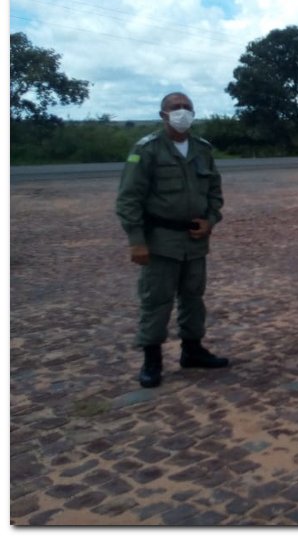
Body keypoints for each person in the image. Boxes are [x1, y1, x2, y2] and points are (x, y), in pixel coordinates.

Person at [115, 92, 228, 389]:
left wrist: (211, 220)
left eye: (187, 107)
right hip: (160, 240)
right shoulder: (148, 149)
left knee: (193, 298)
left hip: (194, 240)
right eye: (175, 107)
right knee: (156, 301)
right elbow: (129, 199)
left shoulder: (202, 150)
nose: (182, 112)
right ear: (163, 114)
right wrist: (136, 240)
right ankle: (152, 361)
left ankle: (192, 351)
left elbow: (215, 192)